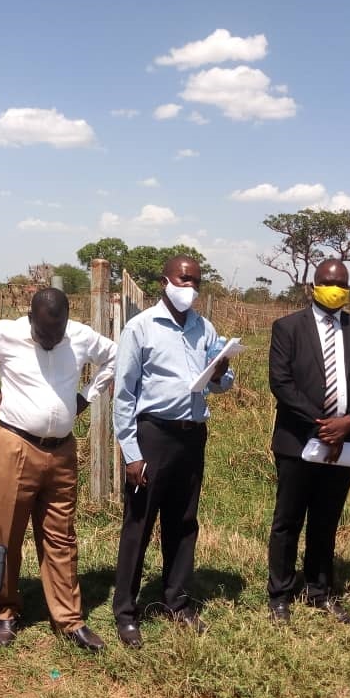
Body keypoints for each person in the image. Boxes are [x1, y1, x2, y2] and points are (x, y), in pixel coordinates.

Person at [0, 288, 116, 652]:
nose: (50, 341)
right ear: (30, 320)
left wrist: (88, 395)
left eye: (57, 334)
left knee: (61, 536)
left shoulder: (81, 337)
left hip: (62, 451)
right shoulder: (7, 333)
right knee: (6, 532)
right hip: (16, 446)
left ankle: (69, 618)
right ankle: (5, 610)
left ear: (67, 322)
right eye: (43, 334)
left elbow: (117, 357)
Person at [112, 255, 233, 649]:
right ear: (165, 281)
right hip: (153, 436)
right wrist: (131, 453)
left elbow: (222, 383)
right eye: (184, 279)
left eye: (196, 281)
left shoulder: (204, 327)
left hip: (191, 435)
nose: (190, 288)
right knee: (139, 524)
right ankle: (126, 611)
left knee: (183, 522)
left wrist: (220, 372)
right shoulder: (140, 327)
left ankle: (177, 602)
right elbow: (124, 394)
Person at [266, 258, 350, 625]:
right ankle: (280, 594)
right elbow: (281, 383)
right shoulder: (287, 328)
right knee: (288, 519)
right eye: (328, 281)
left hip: (344, 443)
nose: (336, 288)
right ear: (312, 286)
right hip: (299, 439)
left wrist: (349, 421)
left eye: (342, 283)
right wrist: (322, 425)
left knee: (327, 518)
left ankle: (319, 590)